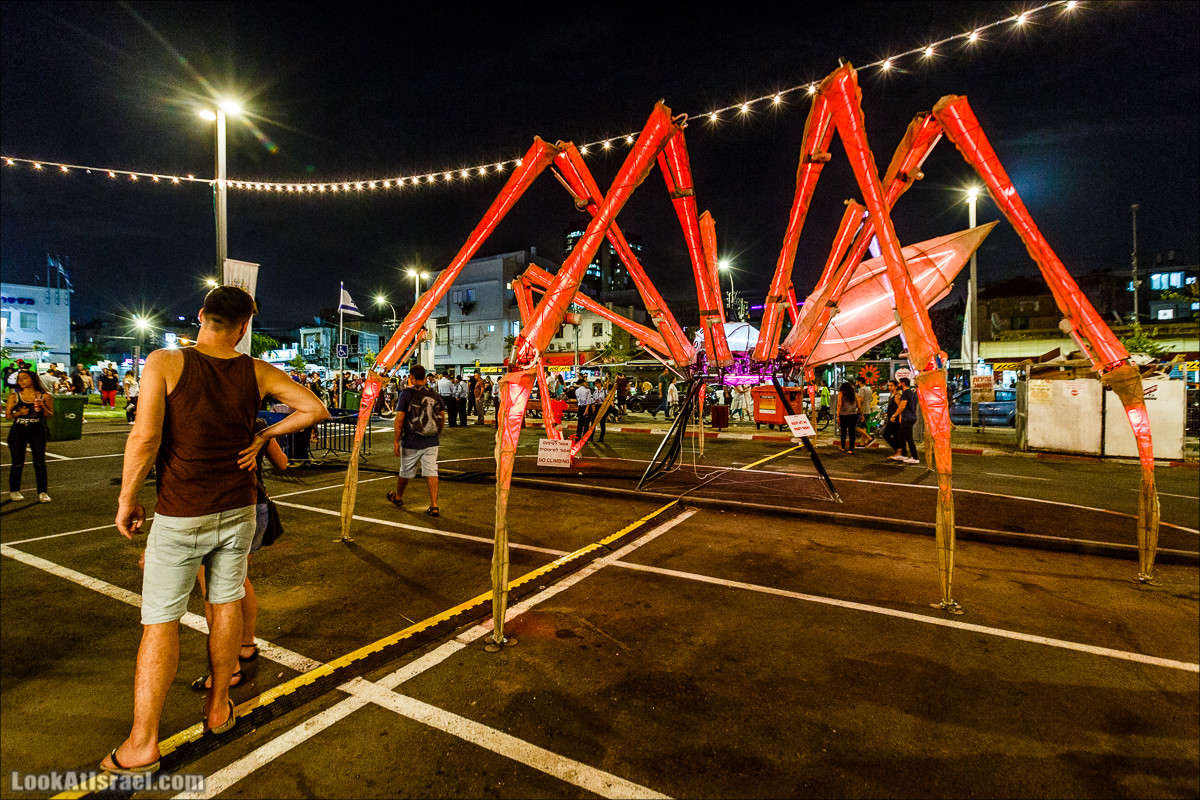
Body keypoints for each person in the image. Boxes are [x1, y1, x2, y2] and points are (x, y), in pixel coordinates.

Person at [101, 286, 328, 777]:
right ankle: (219, 707)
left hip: (182, 512)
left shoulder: (165, 362)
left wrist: (126, 499)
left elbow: (145, 437)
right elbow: (314, 409)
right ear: (245, 327)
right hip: (238, 508)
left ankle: (142, 743)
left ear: (202, 316)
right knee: (224, 604)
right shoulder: (256, 371)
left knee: (160, 622)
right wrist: (263, 434)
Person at [189, 416, 288, 692]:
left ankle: (228, 669)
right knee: (239, 579)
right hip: (255, 507)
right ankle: (246, 645)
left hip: (217, 509)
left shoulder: (205, 419)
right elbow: (282, 463)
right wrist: (260, 440)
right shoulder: (256, 423)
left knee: (214, 592)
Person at [387, 365, 445, 516]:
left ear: (411, 377)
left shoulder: (406, 394)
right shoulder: (434, 394)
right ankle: (434, 505)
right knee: (431, 470)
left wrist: (396, 441)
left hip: (412, 440)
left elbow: (399, 419)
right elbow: (442, 416)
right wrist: (437, 432)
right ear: (425, 377)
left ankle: (398, 496)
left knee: (405, 470)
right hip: (432, 440)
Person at [6, 369, 55, 503]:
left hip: (37, 431)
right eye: (19, 379)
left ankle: (43, 492)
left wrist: (43, 407)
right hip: (18, 431)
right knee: (17, 462)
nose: (21, 381)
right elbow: (7, 416)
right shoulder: (14, 396)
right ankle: (14, 490)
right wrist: (19, 413)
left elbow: (50, 415)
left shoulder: (44, 396)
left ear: (32, 379)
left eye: (24, 378)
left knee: (39, 462)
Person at [891, 377, 921, 465]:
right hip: (910, 417)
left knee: (908, 438)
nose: (898, 385)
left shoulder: (905, 393)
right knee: (901, 435)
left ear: (903, 383)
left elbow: (902, 406)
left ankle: (915, 457)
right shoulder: (912, 393)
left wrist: (894, 415)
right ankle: (903, 454)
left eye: (899, 383)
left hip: (908, 418)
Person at [834, 380, 860, 453]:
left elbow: (839, 405)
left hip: (843, 415)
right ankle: (851, 449)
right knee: (852, 432)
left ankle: (843, 447)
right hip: (853, 415)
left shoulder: (841, 394)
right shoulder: (855, 394)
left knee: (843, 432)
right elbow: (859, 405)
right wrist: (861, 414)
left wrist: (838, 415)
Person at [855, 376, 876, 447]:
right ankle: (862, 443)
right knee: (863, 427)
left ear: (859, 382)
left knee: (857, 427)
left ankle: (869, 438)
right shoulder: (868, 389)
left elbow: (861, 400)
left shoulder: (861, 389)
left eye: (856, 382)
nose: (856, 383)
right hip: (868, 410)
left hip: (862, 411)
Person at [591, 378, 608, 443]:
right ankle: (591, 436)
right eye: (595, 383)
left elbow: (607, 399)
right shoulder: (595, 391)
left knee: (602, 423)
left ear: (600, 383)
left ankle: (601, 438)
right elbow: (593, 399)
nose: (596, 384)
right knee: (593, 422)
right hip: (597, 406)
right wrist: (595, 400)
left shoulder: (604, 391)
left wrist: (603, 401)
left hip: (602, 407)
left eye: (597, 383)